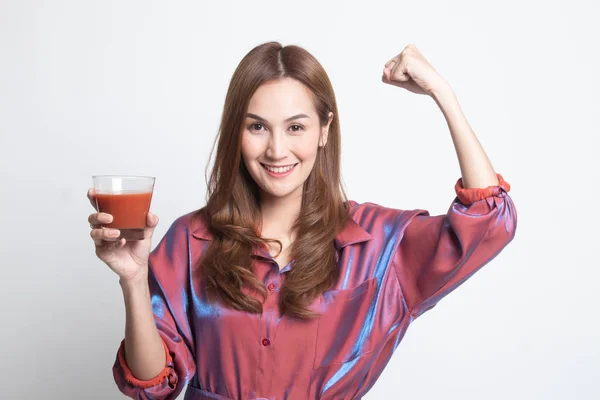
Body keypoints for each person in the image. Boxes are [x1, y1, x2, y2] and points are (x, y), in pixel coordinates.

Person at [87, 41, 517, 400]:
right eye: (257, 127)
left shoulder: (377, 244)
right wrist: (133, 279)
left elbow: (487, 223)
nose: (276, 150)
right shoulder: (191, 239)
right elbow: (150, 385)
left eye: (296, 127)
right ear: (236, 131)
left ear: (324, 129)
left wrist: (443, 93)